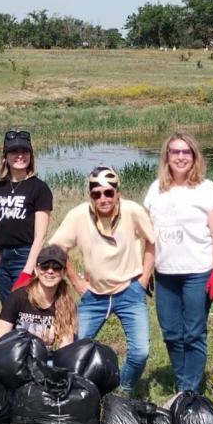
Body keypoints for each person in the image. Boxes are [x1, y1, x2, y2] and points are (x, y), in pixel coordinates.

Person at [50, 166, 156, 396]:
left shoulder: (132, 211)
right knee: (72, 348)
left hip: (130, 292)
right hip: (94, 296)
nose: (103, 198)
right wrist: (76, 281)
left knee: (140, 352)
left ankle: (122, 390)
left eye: (109, 193)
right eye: (96, 193)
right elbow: (57, 247)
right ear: (90, 195)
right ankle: (76, 392)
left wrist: (144, 279)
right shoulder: (78, 215)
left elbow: (151, 242)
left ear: (118, 192)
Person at [143, 132, 213, 393]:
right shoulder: (155, 190)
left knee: (194, 334)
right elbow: (147, 236)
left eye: (186, 152)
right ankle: (182, 383)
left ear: (194, 156)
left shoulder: (208, 189)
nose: (180, 157)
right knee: (171, 334)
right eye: (175, 152)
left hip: (198, 273)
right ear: (167, 156)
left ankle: (189, 391)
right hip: (165, 274)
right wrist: (145, 272)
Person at [0, 130, 53, 302]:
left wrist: (27, 271)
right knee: (8, 310)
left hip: (24, 254)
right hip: (0, 257)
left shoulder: (39, 188)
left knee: (25, 306)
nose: (20, 156)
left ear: (31, 155)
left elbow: (40, 235)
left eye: (24, 151)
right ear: (5, 157)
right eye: (14, 151)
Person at [0, 245, 76, 349]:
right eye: (45, 266)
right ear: (36, 269)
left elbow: (65, 350)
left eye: (56, 267)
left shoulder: (67, 303)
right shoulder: (17, 298)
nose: (50, 271)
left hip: (48, 361)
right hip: (17, 358)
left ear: (64, 272)